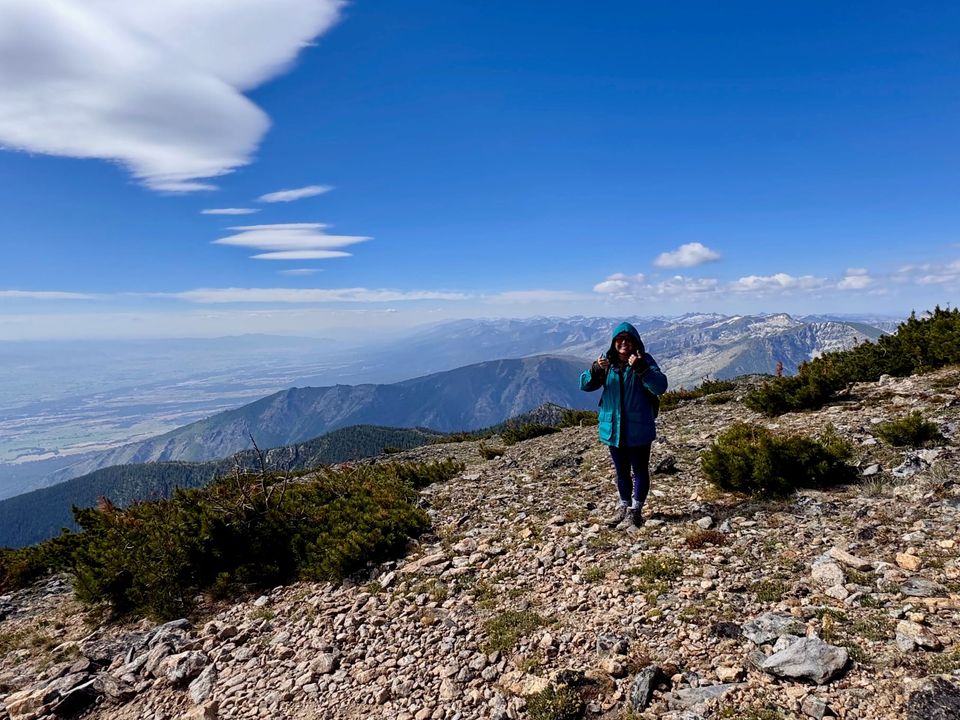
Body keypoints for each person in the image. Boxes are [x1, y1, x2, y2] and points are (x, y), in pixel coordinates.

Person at [579, 322, 668, 528]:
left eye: (628, 340)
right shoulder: (606, 363)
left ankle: (635, 511)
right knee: (621, 472)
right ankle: (624, 506)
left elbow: (660, 386)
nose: (624, 343)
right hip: (613, 429)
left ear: (635, 342)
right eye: (619, 340)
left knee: (639, 470)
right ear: (613, 343)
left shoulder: (643, 361)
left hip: (638, 428)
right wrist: (594, 369)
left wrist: (641, 368)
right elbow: (584, 385)